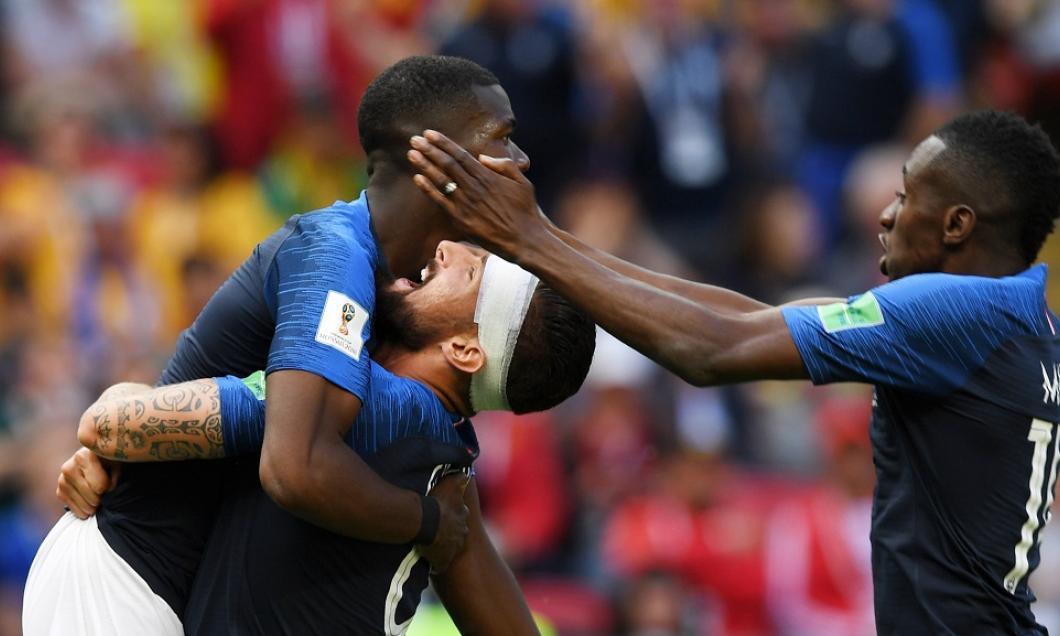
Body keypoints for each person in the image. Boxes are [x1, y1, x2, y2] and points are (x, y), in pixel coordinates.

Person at [407, 110, 1060, 634]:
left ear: (957, 225)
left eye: (907, 196)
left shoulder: (953, 312)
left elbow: (712, 350)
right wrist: (548, 238)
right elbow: (745, 317)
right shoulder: (1023, 323)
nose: (886, 215)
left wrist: (529, 240)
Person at [31, 55, 532, 633]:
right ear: (431, 152)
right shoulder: (335, 258)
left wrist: (123, 411)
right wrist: (427, 521)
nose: (520, 159)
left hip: (159, 588)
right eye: (502, 136)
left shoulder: (395, 299)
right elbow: (296, 467)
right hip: (121, 583)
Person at [28, 241, 595, 634]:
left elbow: (110, 424)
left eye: (471, 273)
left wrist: (117, 432)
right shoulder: (445, 458)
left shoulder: (357, 399)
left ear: (465, 351)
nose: (445, 249)